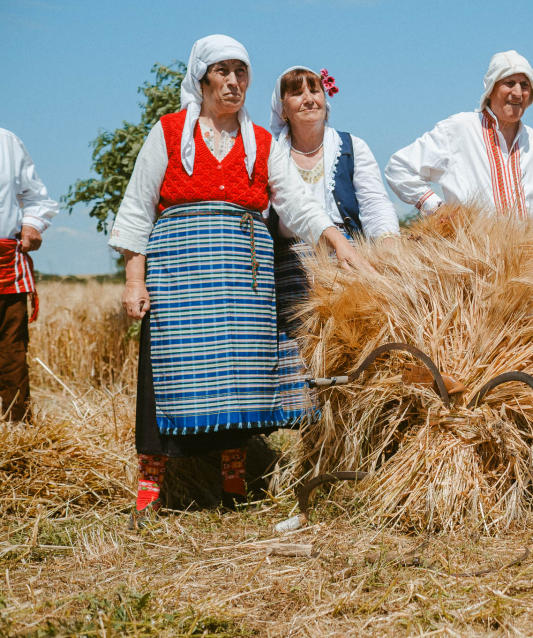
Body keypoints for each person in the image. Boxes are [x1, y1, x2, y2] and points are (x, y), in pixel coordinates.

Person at [108, 35, 373, 526]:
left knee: (237, 374)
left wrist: (340, 244)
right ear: (202, 79)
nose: (233, 83)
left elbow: (295, 200)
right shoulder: (167, 133)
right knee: (168, 372)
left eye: (241, 73)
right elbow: (137, 208)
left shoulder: (263, 143)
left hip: (240, 279)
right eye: (223, 73)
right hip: (178, 275)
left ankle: (233, 479)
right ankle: (151, 485)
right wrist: (133, 280)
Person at [268, 65, 399, 418]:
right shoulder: (271, 155)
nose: (309, 98)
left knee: (350, 345)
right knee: (301, 354)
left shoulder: (351, 147)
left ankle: (350, 424)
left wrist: (388, 244)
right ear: (282, 108)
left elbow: (374, 202)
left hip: (348, 257)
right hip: (294, 262)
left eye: (315, 90)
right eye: (297, 92)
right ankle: (304, 436)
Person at [385, 51, 533, 216]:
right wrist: (436, 208)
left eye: (525, 85)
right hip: (472, 241)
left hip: (531, 241)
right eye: (509, 83)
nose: (518, 93)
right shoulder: (461, 128)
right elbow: (399, 167)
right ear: (491, 89)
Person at [0, 128, 59, 423]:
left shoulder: (6, 142)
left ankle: (17, 432)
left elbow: (36, 197)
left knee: (11, 352)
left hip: (5, 263)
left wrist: (32, 224)